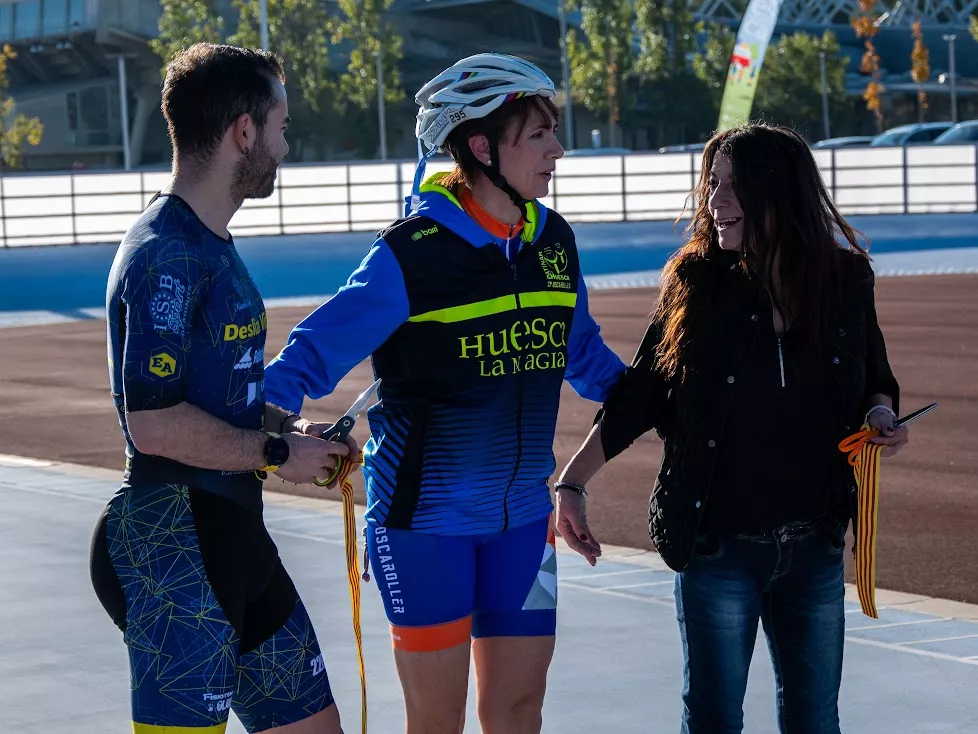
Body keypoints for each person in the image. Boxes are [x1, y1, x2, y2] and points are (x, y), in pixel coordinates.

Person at [263, 53, 626, 733]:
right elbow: (311, 351)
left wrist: (673, 398)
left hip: (524, 524)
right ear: (482, 147)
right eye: (540, 135)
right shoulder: (411, 253)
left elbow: (587, 360)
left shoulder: (554, 243)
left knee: (518, 712)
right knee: (438, 723)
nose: (559, 150)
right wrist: (266, 428)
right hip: (422, 531)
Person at [555, 122, 910, 734]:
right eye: (711, 184)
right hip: (717, 548)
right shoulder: (695, 284)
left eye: (731, 186)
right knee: (715, 719)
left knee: (815, 720)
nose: (713, 202)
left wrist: (881, 414)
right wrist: (572, 484)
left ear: (778, 191)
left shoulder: (847, 281)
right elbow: (641, 394)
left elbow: (875, 375)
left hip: (815, 546)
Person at [89, 43, 355, 734]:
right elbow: (151, 425)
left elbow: (210, 398)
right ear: (244, 131)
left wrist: (290, 436)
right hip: (172, 545)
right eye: (281, 127)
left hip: (233, 537)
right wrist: (273, 452)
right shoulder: (166, 253)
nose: (285, 146)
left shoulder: (208, 244)